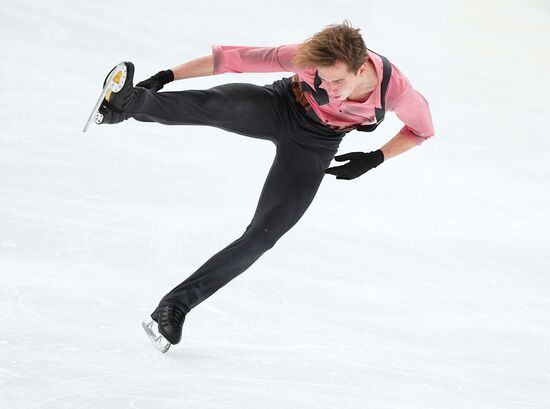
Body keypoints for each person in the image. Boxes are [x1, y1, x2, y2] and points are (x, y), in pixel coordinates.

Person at [96, 21, 434, 351]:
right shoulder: (306, 56)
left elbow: (421, 130)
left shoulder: (396, 90)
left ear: (361, 70)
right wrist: (164, 77)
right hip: (278, 105)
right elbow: (228, 60)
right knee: (217, 106)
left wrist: (376, 158)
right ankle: (127, 105)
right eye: (323, 79)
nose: (329, 88)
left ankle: (175, 306)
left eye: (337, 81)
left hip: (316, 144)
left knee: (264, 235)